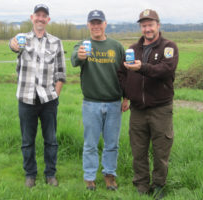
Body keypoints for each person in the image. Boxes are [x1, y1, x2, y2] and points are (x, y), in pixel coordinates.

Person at [118, 9, 179, 199]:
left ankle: (159, 185)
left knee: (161, 151)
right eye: (144, 25)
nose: (147, 29)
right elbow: (122, 72)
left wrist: (141, 67)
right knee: (138, 150)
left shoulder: (168, 47)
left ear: (158, 25)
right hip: (138, 109)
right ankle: (141, 185)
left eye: (150, 24)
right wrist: (126, 94)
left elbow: (165, 70)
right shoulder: (132, 49)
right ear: (141, 27)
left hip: (160, 108)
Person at [9, 4, 66, 188]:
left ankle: (50, 175)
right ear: (32, 17)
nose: (41, 18)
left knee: (51, 140)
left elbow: (61, 73)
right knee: (27, 141)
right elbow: (13, 45)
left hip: (48, 101)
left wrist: (55, 96)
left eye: (44, 16)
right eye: (38, 15)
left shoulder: (56, 42)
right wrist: (12, 44)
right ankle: (30, 175)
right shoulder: (22, 39)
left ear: (48, 20)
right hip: (26, 99)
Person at [71, 10, 125, 191]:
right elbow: (74, 61)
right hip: (91, 103)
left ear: (105, 24)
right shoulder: (82, 45)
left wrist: (127, 97)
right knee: (90, 144)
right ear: (88, 25)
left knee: (112, 143)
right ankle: (89, 177)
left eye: (99, 22)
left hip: (114, 103)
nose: (96, 26)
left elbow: (125, 74)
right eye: (92, 23)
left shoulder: (116, 46)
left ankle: (109, 175)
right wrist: (80, 56)